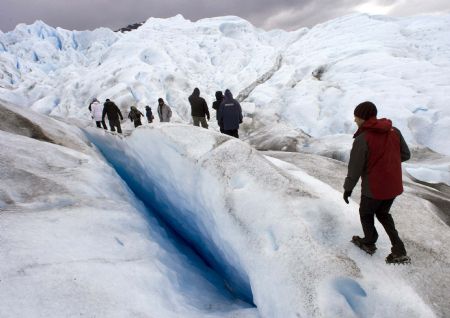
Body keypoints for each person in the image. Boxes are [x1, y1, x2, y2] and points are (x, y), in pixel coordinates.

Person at [343, 101, 411, 264]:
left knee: (366, 213)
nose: (355, 120)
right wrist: (388, 163)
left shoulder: (363, 139)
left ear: (364, 118)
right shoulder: (394, 131)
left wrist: (348, 189)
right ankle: (399, 250)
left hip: (374, 187)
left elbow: (355, 169)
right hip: (393, 186)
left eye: (357, 117)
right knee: (383, 213)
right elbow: (406, 154)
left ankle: (369, 241)